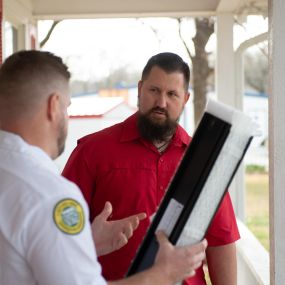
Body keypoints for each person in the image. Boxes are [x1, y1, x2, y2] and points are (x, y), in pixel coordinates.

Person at [0, 50, 207, 285]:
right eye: (67, 107)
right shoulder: (50, 197)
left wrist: (85, 241)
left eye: (171, 94)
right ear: (54, 105)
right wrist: (164, 274)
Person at [63, 52, 240, 285]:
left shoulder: (204, 162)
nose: (161, 103)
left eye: (172, 94)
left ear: (185, 99)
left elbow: (221, 241)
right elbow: (60, 234)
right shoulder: (91, 152)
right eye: (154, 90)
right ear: (140, 89)